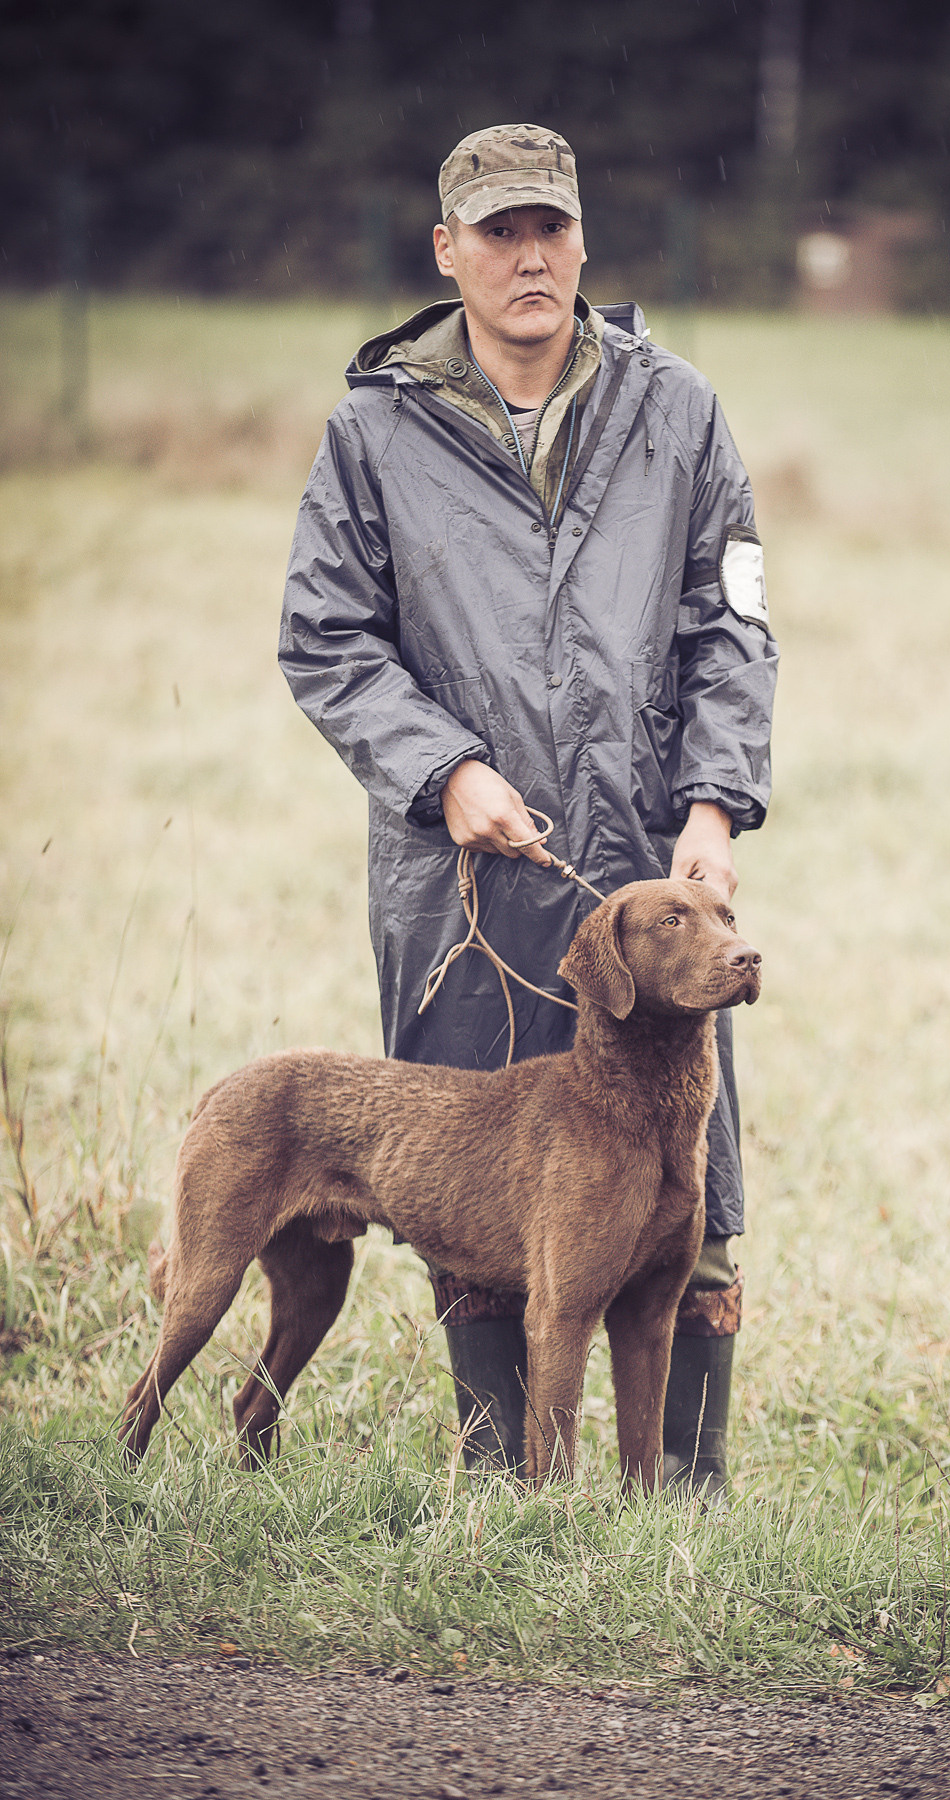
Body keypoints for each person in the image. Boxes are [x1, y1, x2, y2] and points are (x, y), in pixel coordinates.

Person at [279, 124, 776, 1491]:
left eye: (550, 225)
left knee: (688, 1181)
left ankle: (677, 1495)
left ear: (583, 241)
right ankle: (511, 1488)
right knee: (482, 1192)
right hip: (465, 891)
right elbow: (326, 639)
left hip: (648, 879)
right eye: (498, 230)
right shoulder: (374, 430)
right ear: (447, 253)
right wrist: (445, 770)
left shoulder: (676, 411)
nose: (530, 253)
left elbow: (731, 629)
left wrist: (716, 806)